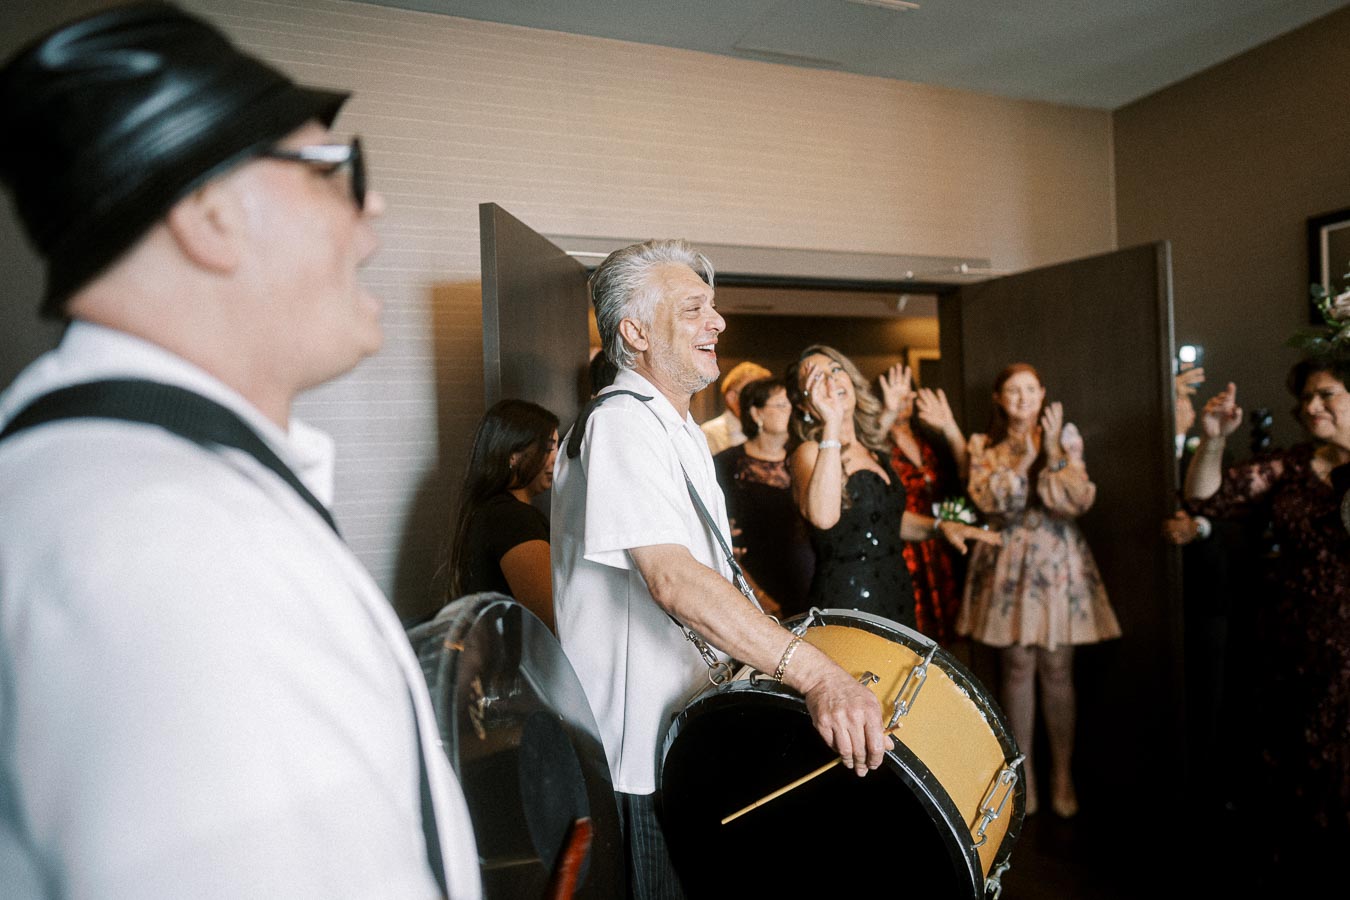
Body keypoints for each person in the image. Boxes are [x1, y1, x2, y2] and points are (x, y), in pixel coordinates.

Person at [0, 5, 480, 897]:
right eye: (337, 171)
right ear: (208, 213)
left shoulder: (124, 492)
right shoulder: (170, 545)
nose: (371, 207)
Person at [552, 240, 892, 899]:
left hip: (684, 737)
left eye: (715, 307)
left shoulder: (672, 428)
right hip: (637, 759)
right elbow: (672, 579)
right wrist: (817, 676)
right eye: (695, 309)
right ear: (636, 331)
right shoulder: (622, 422)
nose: (719, 322)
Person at [1184, 353, 1350, 888]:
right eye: (1306, 397)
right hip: (1295, 643)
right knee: (1298, 767)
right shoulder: (1294, 465)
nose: (1312, 406)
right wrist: (1212, 440)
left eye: (1327, 394)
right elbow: (1205, 498)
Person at [956, 363, 1120, 819]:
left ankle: (1062, 774)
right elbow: (991, 502)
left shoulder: (1064, 437)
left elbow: (1077, 498)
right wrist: (1026, 460)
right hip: (1008, 562)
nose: (1023, 398)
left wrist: (1051, 451)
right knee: (1016, 666)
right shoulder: (984, 446)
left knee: (1058, 668)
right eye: (1013, 390)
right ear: (999, 398)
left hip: (1056, 562)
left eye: (1031, 390)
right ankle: (1022, 774)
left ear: (1043, 393)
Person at [786, 346, 995, 629]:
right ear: (802, 404)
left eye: (836, 370)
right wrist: (832, 422)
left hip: (896, 589)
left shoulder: (871, 450)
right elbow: (824, 518)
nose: (832, 380)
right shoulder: (809, 452)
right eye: (816, 377)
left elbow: (885, 521)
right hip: (848, 599)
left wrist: (939, 526)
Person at [445, 398, 559, 630]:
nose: (556, 458)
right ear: (513, 455)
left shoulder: (489, 510)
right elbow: (550, 617)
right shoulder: (513, 519)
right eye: (548, 448)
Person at [713, 377, 814, 617]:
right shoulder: (726, 464)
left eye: (791, 404)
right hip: (754, 580)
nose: (790, 410)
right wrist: (756, 595)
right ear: (756, 414)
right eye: (781, 405)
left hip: (806, 577)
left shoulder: (804, 458)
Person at [887, 372, 969, 643]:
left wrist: (948, 427)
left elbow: (969, 476)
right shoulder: (876, 443)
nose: (905, 399)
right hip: (902, 540)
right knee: (912, 627)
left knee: (947, 628)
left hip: (940, 539)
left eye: (909, 393)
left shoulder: (929, 439)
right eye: (898, 392)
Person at [700, 360, 771, 455]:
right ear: (732, 397)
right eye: (752, 394)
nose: (762, 401)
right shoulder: (710, 433)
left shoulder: (766, 430)